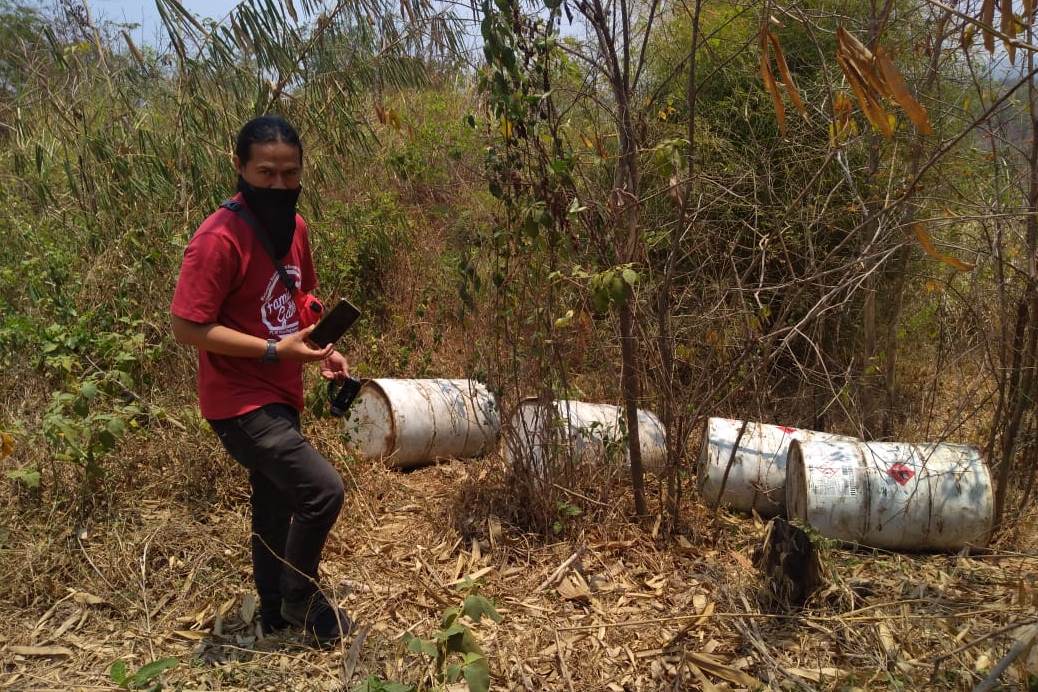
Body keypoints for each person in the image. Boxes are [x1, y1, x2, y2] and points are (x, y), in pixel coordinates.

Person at [170, 115, 352, 645]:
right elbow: (188, 326)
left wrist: (320, 351)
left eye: (289, 174)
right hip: (236, 401)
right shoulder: (217, 239)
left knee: (273, 503)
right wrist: (275, 350)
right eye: (265, 172)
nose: (278, 185)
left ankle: (273, 612)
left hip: (281, 391)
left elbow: (298, 302)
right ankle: (301, 599)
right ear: (240, 168)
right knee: (321, 491)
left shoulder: (296, 229)